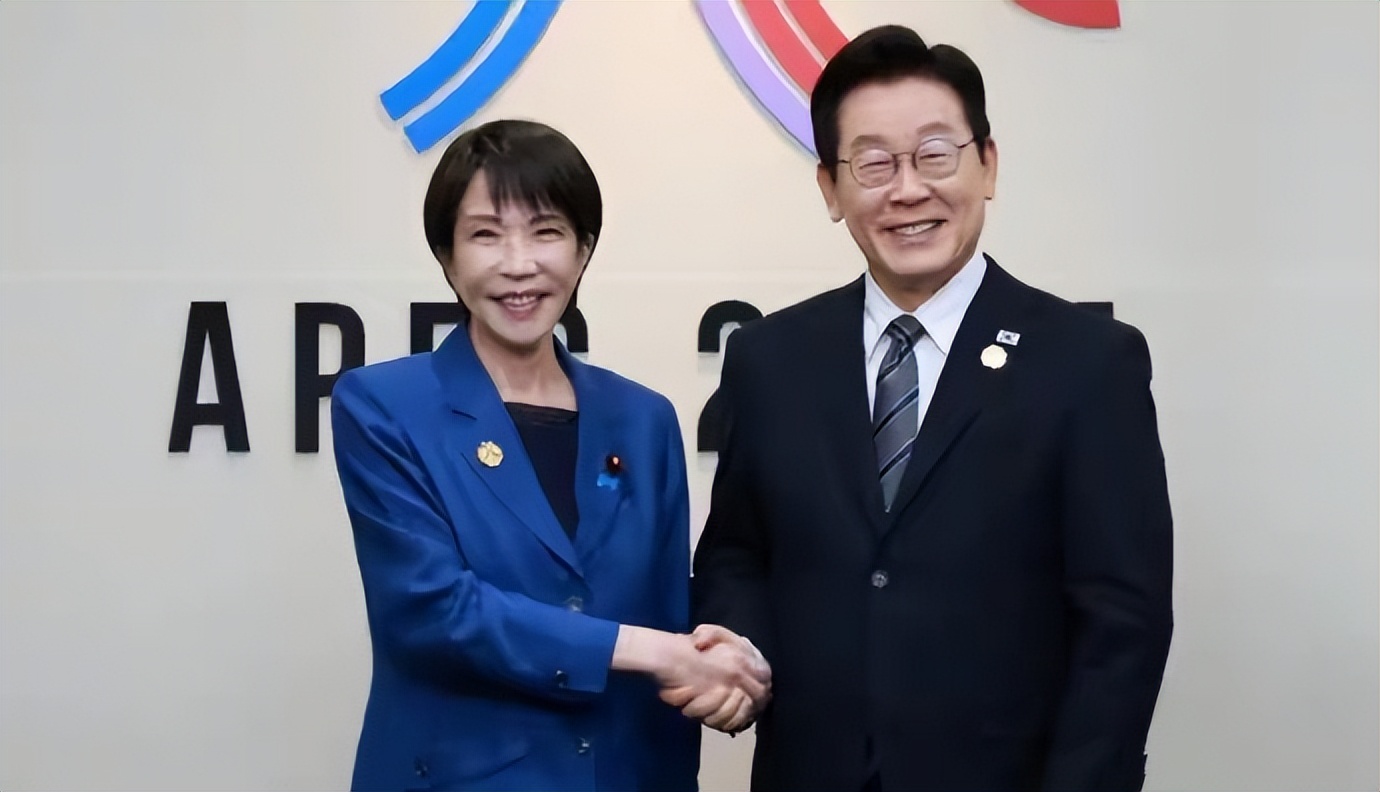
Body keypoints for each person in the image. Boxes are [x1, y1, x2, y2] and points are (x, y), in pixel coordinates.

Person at [692, 25, 1173, 792]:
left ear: (988, 166)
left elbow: (1124, 624)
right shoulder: (769, 359)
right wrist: (740, 653)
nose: (908, 190)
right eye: (874, 163)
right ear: (831, 189)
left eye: (936, 154)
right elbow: (736, 554)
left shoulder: (1088, 363)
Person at [331, 119, 769, 792]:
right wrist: (655, 652)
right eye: (485, 235)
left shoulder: (643, 419)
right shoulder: (385, 405)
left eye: (546, 232)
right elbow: (431, 612)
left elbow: (667, 606)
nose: (519, 264)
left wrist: (728, 669)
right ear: (447, 256)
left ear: (583, 249)